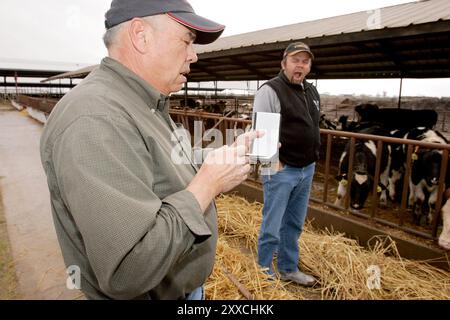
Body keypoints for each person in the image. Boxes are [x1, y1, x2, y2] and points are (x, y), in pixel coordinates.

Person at [40, 0, 260, 300]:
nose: (193, 56)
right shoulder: (96, 118)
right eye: (187, 41)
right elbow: (129, 268)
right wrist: (208, 184)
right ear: (141, 36)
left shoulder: (142, 102)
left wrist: (219, 162)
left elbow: (159, 174)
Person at [253, 42, 320, 286]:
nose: (300, 65)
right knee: (273, 223)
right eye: (295, 60)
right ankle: (262, 271)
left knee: (294, 223)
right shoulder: (270, 90)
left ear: (309, 66)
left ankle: (288, 268)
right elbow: (261, 132)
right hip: (282, 169)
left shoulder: (311, 92)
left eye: (305, 61)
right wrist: (272, 164)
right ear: (284, 64)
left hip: (307, 168)